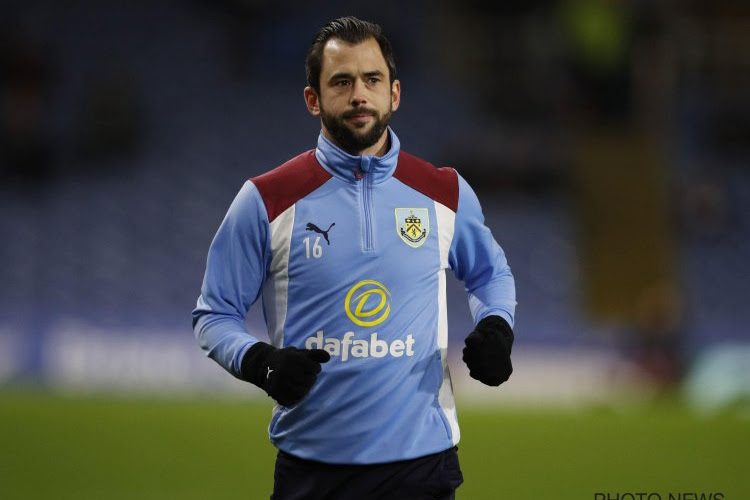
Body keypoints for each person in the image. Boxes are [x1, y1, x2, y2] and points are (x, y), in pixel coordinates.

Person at [192, 16, 516, 500]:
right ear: (313, 100)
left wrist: (497, 325)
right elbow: (214, 315)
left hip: (422, 468)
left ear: (395, 94)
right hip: (313, 470)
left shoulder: (444, 192)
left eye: (372, 80)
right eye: (341, 82)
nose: (359, 95)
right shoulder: (265, 199)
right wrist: (260, 362)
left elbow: (491, 274)